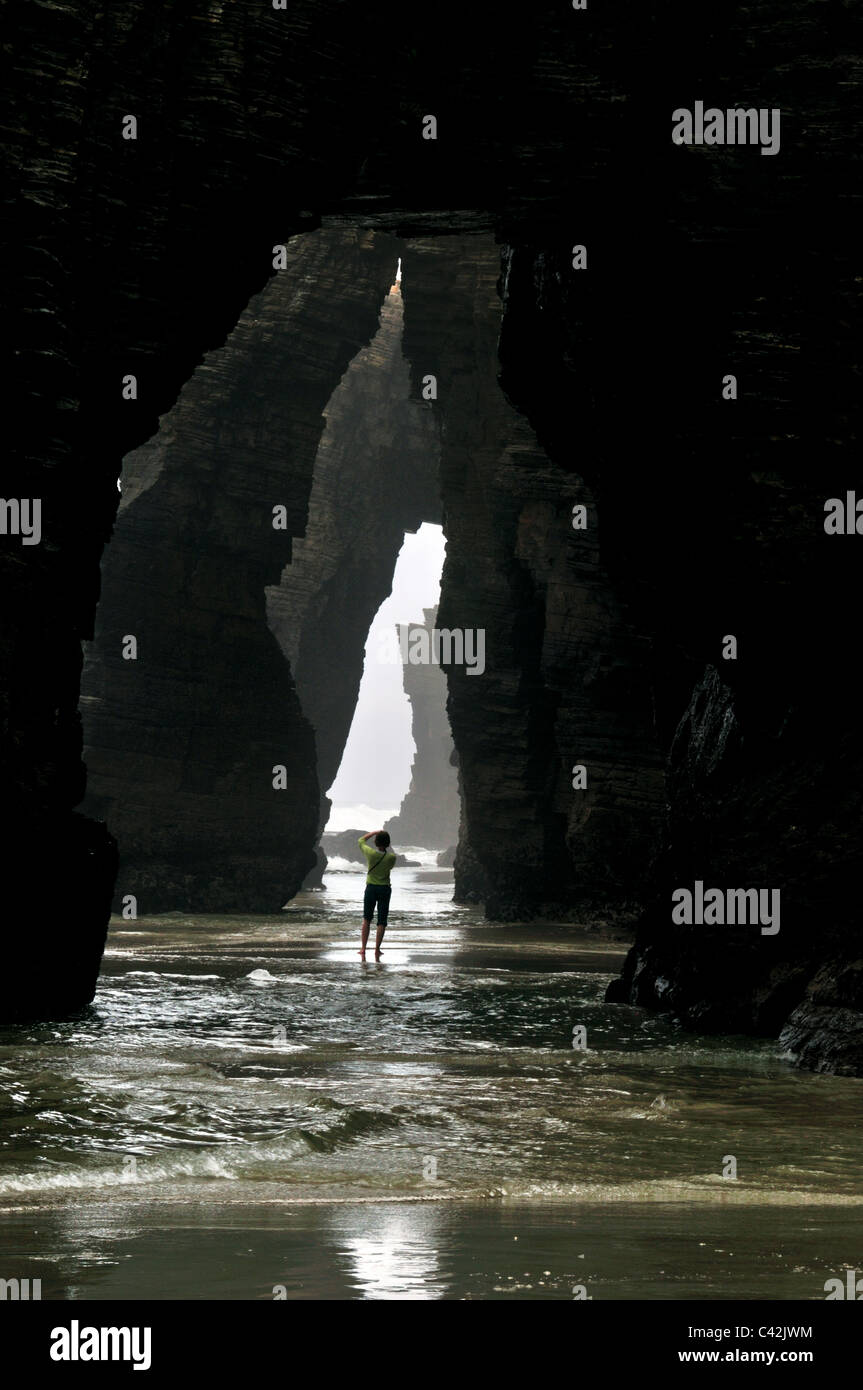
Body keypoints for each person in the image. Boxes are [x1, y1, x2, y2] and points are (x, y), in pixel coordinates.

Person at [358, 829, 396, 960]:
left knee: (366, 919)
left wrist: (374, 833)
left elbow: (361, 841)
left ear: (375, 842)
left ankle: (363, 949)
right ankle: (377, 949)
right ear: (388, 843)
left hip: (371, 888)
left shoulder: (371, 854)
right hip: (384, 889)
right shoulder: (392, 858)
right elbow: (389, 867)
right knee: (382, 921)